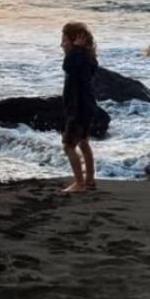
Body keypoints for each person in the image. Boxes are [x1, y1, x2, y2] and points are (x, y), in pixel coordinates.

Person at [61, 21, 98, 192]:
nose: (61, 44)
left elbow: (66, 66)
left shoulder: (77, 58)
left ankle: (79, 183)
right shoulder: (87, 58)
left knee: (69, 145)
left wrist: (75, 49)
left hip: (78, 109)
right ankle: (89, 179)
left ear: (76, 41)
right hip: (86, 106)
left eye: (65, 40)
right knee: (83, 142)